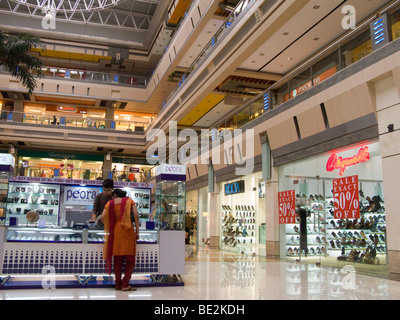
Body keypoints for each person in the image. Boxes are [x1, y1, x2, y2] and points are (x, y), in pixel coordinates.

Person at [99, 189, 140, 291]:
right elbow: (136, 215)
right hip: (128, 231)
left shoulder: (110, 203)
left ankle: (118, 284)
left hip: (116, 233)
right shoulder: (129, 201)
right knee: (130, 259)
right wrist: (137, 232)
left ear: (115, 195)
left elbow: (103, 216)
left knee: (117, 260)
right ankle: (125, 284)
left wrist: (109, 225)